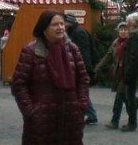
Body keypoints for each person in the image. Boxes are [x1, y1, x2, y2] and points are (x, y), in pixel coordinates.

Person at [11, 10, 90, 145]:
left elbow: (83, 79)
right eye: (54, 25)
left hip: (70, 118)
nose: (60, 27)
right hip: (42, 121)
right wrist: (30, 112)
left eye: (62, 24)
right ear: (44, 28)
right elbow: (19, 84)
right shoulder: (31, 51)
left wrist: (81, 105)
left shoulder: (72, 49)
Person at [93, 21, 129, 130]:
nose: (123, 31)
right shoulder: (116, 42)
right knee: (127, 99)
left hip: (127, 74)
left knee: (119, 97)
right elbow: (108, 56)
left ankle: (115, 121)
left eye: (125, 29)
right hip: (118, 73)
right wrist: (96, 68)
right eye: (121, 29)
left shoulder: (131, 43)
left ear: (129, 31)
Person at [64, 13, 98, 125]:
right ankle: (90, 115)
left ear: (69, 22)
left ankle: (89, 115)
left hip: (81, 67)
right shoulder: (75, 31)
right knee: (79, 92)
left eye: (64, 22)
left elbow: (84, 52)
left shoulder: (78, 33)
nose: (63, 24)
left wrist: (84, 69)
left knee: (79, 92)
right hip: (79, 66)